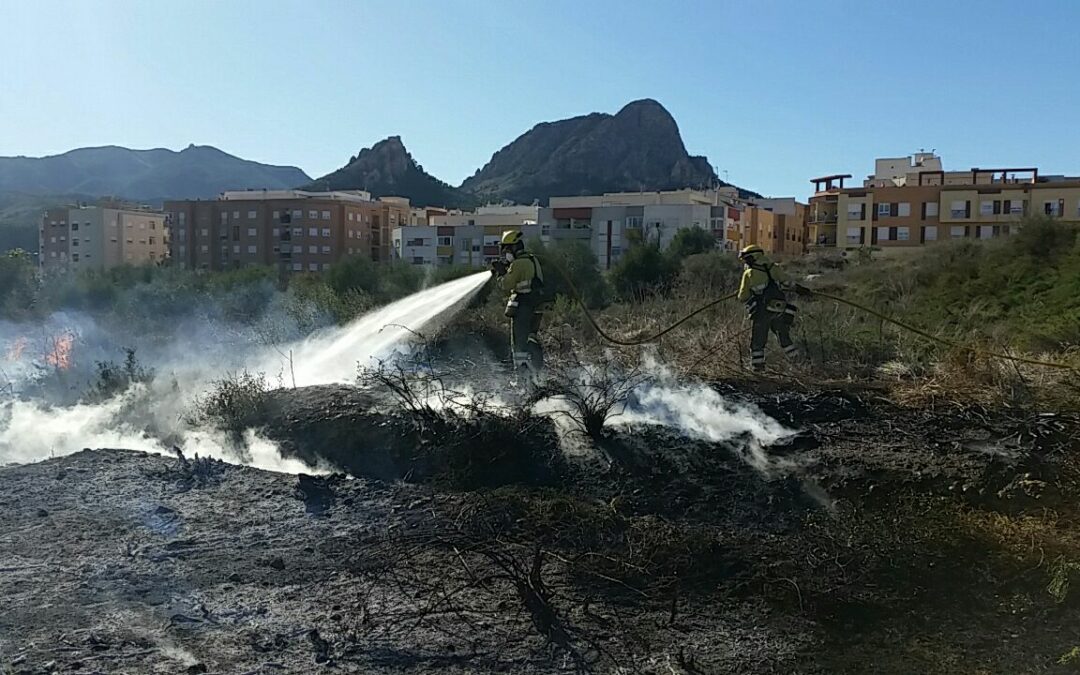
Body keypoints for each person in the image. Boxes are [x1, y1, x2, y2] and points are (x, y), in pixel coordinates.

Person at [736, 245, 810, 372]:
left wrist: (746, 291)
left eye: (747, 259)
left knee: (758, 341)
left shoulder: (749, 273)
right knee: (783, 336)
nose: (746, 262)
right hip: (779, 309)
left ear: (753, 257)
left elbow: (743, 296)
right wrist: (801, 290)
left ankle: (758, 368)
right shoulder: (773, 267)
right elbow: (787, 282)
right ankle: (800, 364)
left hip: (761, 312)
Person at [490, 230, 545, 372]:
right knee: (529, 339)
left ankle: (521, 375)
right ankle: (534, 371)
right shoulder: (532, 260)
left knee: (519, 343)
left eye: (507, 250)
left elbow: (506, 285)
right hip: (535, 308)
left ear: (514, 247)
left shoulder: (518, 264)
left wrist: (501, 273)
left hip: (523, 309)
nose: (506, 254)